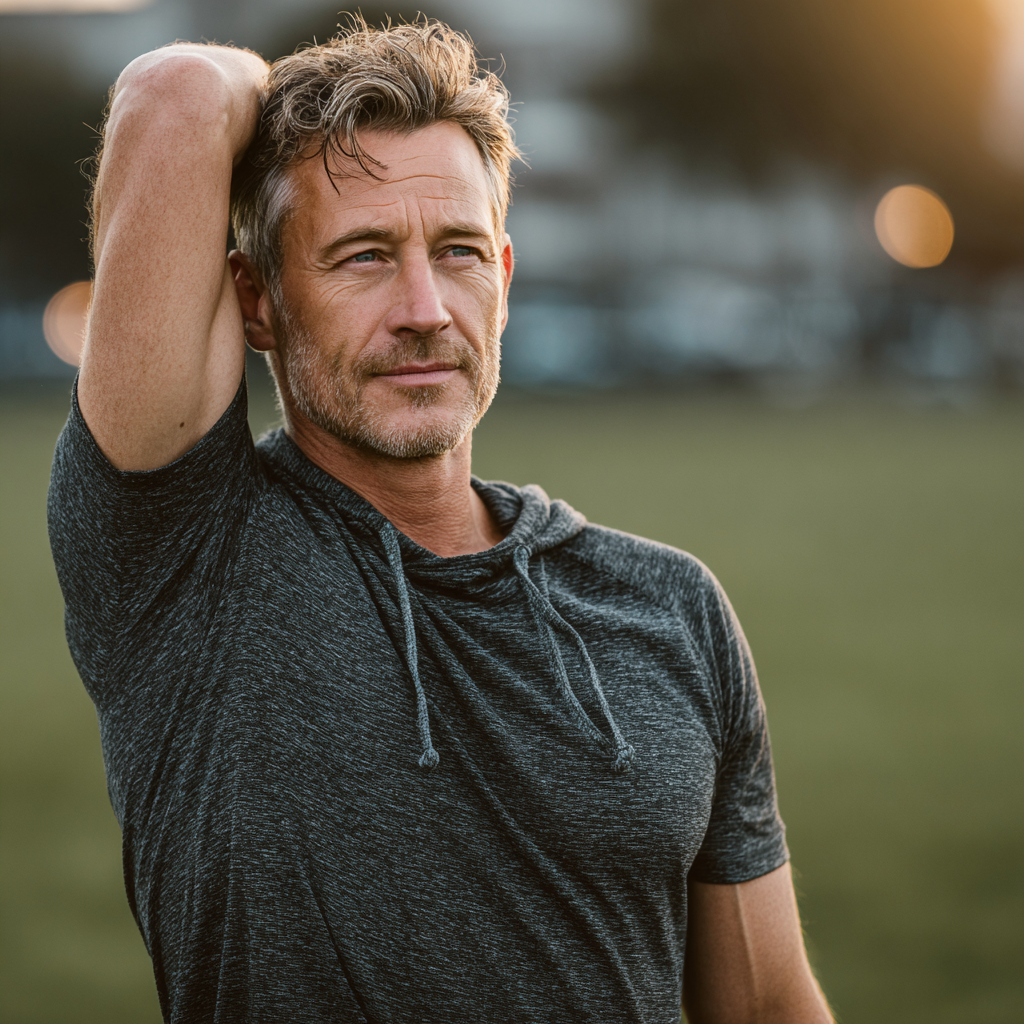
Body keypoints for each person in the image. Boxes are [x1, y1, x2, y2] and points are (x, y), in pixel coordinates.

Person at [47, 17, 833, 1024]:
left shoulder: (671, 607)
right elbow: (174, 100)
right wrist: (302, 106)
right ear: (256, 300)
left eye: (457, 252)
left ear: (501, 280)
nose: (424, 307)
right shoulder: (185, 559)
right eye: (363, 255)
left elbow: (766, 1007)